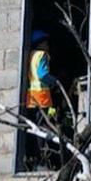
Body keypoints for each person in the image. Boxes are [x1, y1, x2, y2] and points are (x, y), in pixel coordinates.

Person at [25, 29, 59, 170]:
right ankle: (44, 161)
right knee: (43, 129)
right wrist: (55, 82)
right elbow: (42, 74)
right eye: (47, 43)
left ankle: (34, 159)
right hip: (42, 98)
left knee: (34, 129)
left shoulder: (31, 55)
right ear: (42, 43)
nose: (48, 46)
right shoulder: (43, 55)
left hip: (31, 98)